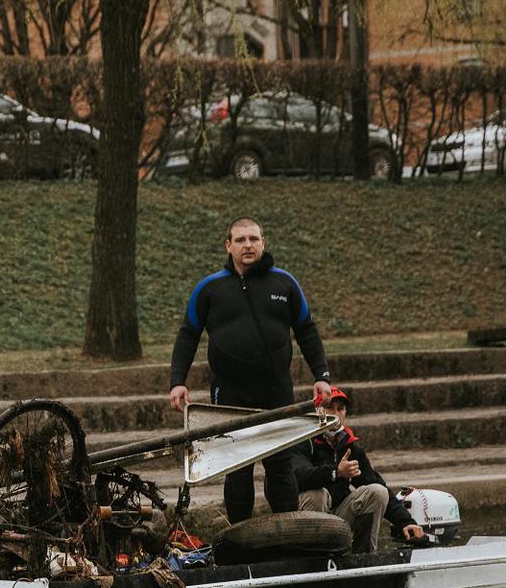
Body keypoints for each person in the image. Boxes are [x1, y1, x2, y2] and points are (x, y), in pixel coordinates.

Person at [168, 216, 332, 523]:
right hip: (229, 392)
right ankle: (240, 533)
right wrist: (178, 381)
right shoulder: (210, 288)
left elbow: (307, 330)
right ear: (228, 245)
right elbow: (188, 333)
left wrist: (321, 376)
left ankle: (288, 530)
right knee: (237, 469)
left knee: (281, 466)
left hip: (276, 389)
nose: (248, 245)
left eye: (254, 239)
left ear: (263, 243)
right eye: (241, 240)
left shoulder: (284, 283)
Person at [293, 387, 423, 552]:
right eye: (330, 407)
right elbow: (296, 477)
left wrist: (406, 521)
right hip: (301, 519)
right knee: (317, 495)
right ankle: (312, 559)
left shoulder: (350, 446)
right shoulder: (302, 440)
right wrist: (335, 472)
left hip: (337, 515)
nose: (336, 413)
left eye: (341, 409)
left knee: (377, 492)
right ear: (318, 411)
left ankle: (364, 558)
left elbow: (376, 482)